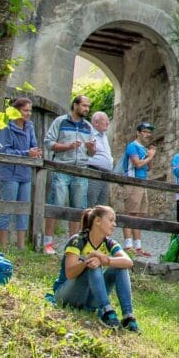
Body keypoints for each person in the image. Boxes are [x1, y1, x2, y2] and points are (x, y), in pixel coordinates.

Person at [52, 205, 138, 331]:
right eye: (111, 220)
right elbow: (70, 273)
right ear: (97, 221)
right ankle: (106, 311)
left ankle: (128, 316)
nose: (114, 224)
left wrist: (106, 260)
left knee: (119, 266)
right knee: (93, 264)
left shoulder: (109, 243)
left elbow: (128, 262)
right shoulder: (77, 240)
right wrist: (86, 262)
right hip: (67, 295)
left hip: (90, 299)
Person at [42, 95, 96, 255]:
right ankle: (48, 242)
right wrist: (68, 146)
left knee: (79, 209)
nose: (87, 109)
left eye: (88, 106)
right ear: (75, 105)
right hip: (61, 168)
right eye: (84, 106)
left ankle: (74, 244)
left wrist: (91, 147)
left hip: (81, 170)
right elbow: (48, 142)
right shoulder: (60, 121)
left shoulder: (88, 127)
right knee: (56, 204)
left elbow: (92, 153)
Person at [0, 97, 42, 249]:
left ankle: (21, 247)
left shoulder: (30, 126)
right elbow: (4, 150)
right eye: (26, 110)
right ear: (16, 110)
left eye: (30, 110)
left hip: (25, 172)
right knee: (6, 208)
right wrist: (26, 153)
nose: (29, 113)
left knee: (23, 209)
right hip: (9, 172)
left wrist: (36, 152)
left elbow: (33, 145)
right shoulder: (6, 126)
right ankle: (2, 247)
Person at [121, 122, 156, 257]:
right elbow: (137, 164)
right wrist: (150, 156)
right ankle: (128, 246)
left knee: (139, 216)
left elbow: (148, 167)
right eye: (145, 132)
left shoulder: (143, 148)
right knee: (130, 214)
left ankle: (138, 247)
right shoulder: (132, 146)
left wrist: (150, 156)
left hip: (142, 183)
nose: (148, 135)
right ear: (138, 133)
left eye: (149, 132)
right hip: (132, 182)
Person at [86, 111, 113, 208]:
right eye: (105, 120)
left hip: (106, 175)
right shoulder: (90, 134)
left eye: (108, 120)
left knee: (102, 208)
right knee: (90, 205)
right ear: (96, 123)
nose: (107, 123)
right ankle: (86, 223)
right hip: (93, 173)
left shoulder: (104, 136)